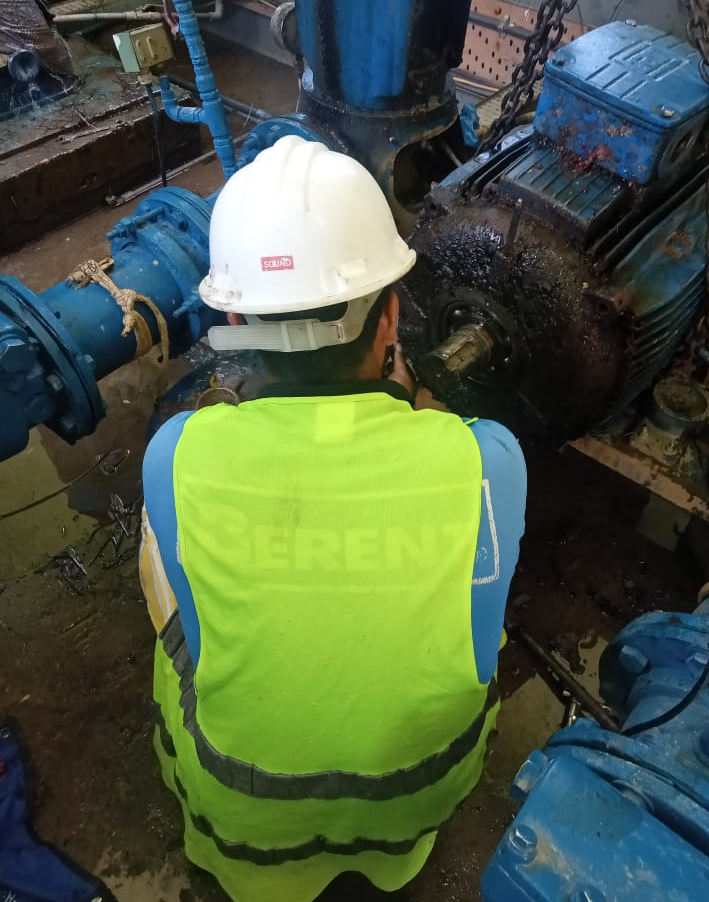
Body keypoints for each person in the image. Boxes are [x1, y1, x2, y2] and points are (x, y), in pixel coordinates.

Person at [139, 136, 527, 902]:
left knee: (172, 586)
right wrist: (416, 403)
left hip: (243, 813)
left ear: (235, 316)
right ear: (390, 319)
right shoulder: (491, 462)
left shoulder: (175, 456)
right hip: (416, 799)